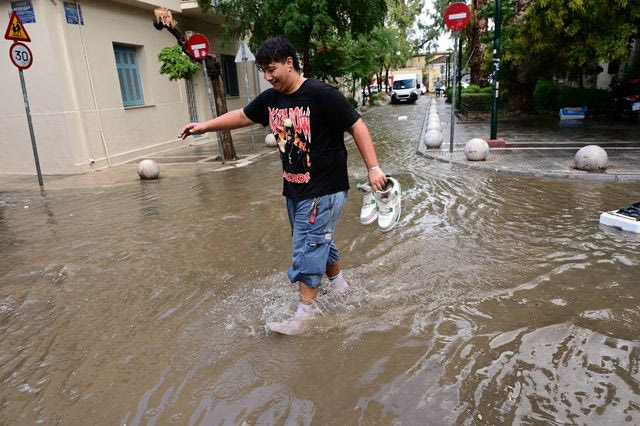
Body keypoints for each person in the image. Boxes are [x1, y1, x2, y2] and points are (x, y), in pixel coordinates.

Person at [179, 36, 387, 335]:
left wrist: (373, 167)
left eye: (271, 68)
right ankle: (340, 287)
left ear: (290, 63)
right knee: (317, 239)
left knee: (309, 245)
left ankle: (305, 313)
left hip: (324, 189)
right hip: (295, 189)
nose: (267, 76)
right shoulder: (273, 99)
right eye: (263, 70)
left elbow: (357, 125)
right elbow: (241, 116)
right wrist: (204, 126)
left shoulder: (320, 94)